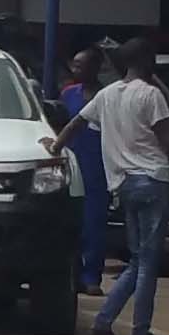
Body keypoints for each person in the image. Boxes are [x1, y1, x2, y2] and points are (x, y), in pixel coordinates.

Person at [82, 48, 169, 335]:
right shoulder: (151, 95)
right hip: (152, 180)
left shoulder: (107, 94)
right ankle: (140, 330)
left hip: (123, 183)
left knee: (138, 260)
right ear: (147, 62)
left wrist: (55, 146)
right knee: (148, 262)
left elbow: (77, 123)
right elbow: (168, 142)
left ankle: (103, 321)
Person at [59, 48, 109, 292]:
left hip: (97, 166)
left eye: (81, 65)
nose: (75, 69)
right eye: (74, 64)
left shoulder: (106, 96)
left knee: (94, 223)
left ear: (95, 68)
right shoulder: (68, 94)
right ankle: (74, 274)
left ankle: (91, 276)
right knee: (72, 222)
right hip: (71, 163)